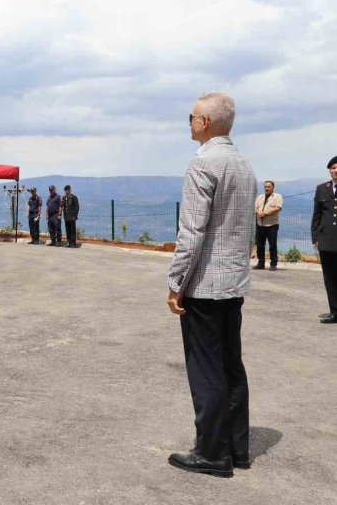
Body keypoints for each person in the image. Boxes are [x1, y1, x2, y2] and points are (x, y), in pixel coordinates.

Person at [166, 93, 256, 478]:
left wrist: (175, 283)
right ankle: (237, 449)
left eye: (191, 117)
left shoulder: (203, 162)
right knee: (230, 366)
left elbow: (192, 233)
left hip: (204, 285)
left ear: (204, 123)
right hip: (233, 282)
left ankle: (211, 453)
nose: (188, 122)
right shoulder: (243, 163)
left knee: (205, 370)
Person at [313, 156, 337, 324]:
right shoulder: (322, 188)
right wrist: (315, 237)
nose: (335, 170)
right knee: (330, 278)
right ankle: (335, 312)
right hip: (326, 240)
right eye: (333, 168)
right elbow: (317, 215)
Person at [253, 180, 283, 270]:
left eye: (269, 187)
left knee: (272, 244)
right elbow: (255, 207)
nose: (267, 188)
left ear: (273, 187)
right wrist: (258, 212)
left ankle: (273, 264)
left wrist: (265, 213)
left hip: (272, 225)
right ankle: (260, 263)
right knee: (260, 245)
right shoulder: (260, 197)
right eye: (265, 187)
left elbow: (278, 208)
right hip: (260, 224)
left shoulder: (277, 196)